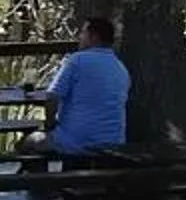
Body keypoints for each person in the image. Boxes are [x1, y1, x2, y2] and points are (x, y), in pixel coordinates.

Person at [43, 15, 133, 155]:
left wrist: (50, 124)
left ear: (94, 37)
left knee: (30, 142)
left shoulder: (77, 61)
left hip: (76, 142)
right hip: (114, 144)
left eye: (83, 33)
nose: (80, 36)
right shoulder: (121, 68)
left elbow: (52, 96)